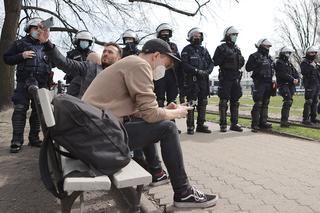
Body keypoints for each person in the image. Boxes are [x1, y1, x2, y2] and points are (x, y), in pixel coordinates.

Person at [38, 25, 218, 207]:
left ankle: (158, 174)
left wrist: (166, 109)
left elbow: (138, 111)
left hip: (93, 133)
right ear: (156, 56)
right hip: (97, 137)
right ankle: (183, 192)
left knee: (155, 123)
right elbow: (151, 114)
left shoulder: (130, 63)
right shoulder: (140, 65)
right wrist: (174, 113)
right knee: (168, 128)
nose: (165, 69)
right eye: (166, 64)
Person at [3, 17, 53, 153]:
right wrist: (21, 56)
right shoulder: (20, 44)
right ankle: (16, 140)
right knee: (20, 109)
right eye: (35, 28)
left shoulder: (46, 45)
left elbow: (55, 61)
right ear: (29, 29)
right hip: (24, 82)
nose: (38, 31)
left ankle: (34, 138)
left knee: (38, 111)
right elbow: (7, 58)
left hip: (42, 83)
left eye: (40, 28)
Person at [181, 27, 214, 135]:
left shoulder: (204, 50)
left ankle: (201, 125)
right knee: (191, 103)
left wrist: (208, 71)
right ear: (190, 37)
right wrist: (196, 71)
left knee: (203, 103)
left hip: (203, 81)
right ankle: (190, 126)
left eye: (199, 36)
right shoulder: (186, 50)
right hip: (192, 81)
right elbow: (184, 65)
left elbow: (211, 63)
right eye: (195, 36)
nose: (197, 37)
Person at [213, 26, 245, 132]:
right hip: (225, 77)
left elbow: (241, 62)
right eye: (233, 35)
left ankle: (234, 124)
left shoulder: (237, 49)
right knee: (223, 101)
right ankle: (223, 124)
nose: (235, 37)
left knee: (235, 101)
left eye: (236, 35)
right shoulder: (221, 48)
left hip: (236, 78)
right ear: (227, 36)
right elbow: (215, 62)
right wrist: (225, 56)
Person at [245, 39, 274, 132]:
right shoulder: (254, 56)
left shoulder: (269, 57)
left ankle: (263, 122)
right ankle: (255, 124)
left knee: (266, 103)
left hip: (268, 82)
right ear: (261, 46)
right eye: (266, 46)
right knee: (258, 103)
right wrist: (257, 63)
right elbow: (248, 68)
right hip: (259, 82)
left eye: (269, 47)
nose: (268, 48)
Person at [64, 30, 95, 97]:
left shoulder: (93, 55)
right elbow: (65, 66)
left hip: (89, 84)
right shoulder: (71, 54)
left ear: (89, 43)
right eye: (82, 40)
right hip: (72, 83)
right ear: (77, 42)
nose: (84, 42)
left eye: (86, 41)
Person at [275, 47, 300, 127]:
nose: (288, 54)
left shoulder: (289, 63)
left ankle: (285, 120)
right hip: (283, 85)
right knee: (287, 101)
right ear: (282, 53)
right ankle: (284, 122)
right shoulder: (279, 62)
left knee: (289, 101)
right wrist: (292, 79)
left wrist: (297, 79)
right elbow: (282, 74)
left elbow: (295, 72)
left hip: (290, 85)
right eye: (286, 53)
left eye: (289, 53)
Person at [300, 46, 320, 125]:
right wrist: (312, 67)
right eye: (312, 53)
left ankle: (313, 118)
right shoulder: (304, 62)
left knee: (315, 101)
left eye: (315, 53)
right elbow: (304, 72)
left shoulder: (315, 63)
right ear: (307, 53)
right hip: (309, 85)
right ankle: (305, 119)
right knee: (309, 101)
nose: (313, 54)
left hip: (316, 84)